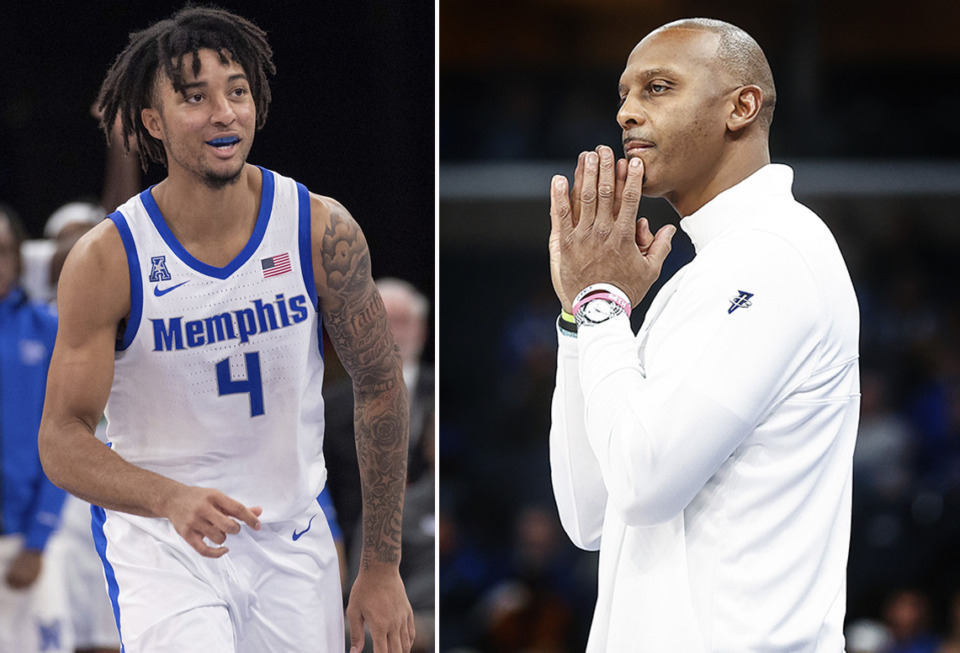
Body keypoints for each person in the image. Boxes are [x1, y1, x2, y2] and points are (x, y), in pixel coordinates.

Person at [37, 7, 413, 653]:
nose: (223, 112)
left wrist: (380, 565)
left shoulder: (320, 228)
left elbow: (381, 384)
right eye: (195, 97)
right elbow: (62, 438)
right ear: (153, 121)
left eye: (236, 91)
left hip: (291, 535)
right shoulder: (108, 258)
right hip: (163, 541)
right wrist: (168, 497)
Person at [548, 18, 860, 652]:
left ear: (741, 107)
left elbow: (644, 482)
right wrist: (582, 319)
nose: (628, 113)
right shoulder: (707, 271)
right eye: (623, 95)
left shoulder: (776, 253)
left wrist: (604, 301)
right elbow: (590, 513)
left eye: (658, 87)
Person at [0, 207, 69, 652]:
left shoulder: (48, 330)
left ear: (20, 258)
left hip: (29, 541)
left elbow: (66, 436)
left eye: (1, 251)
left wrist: (39, 540)